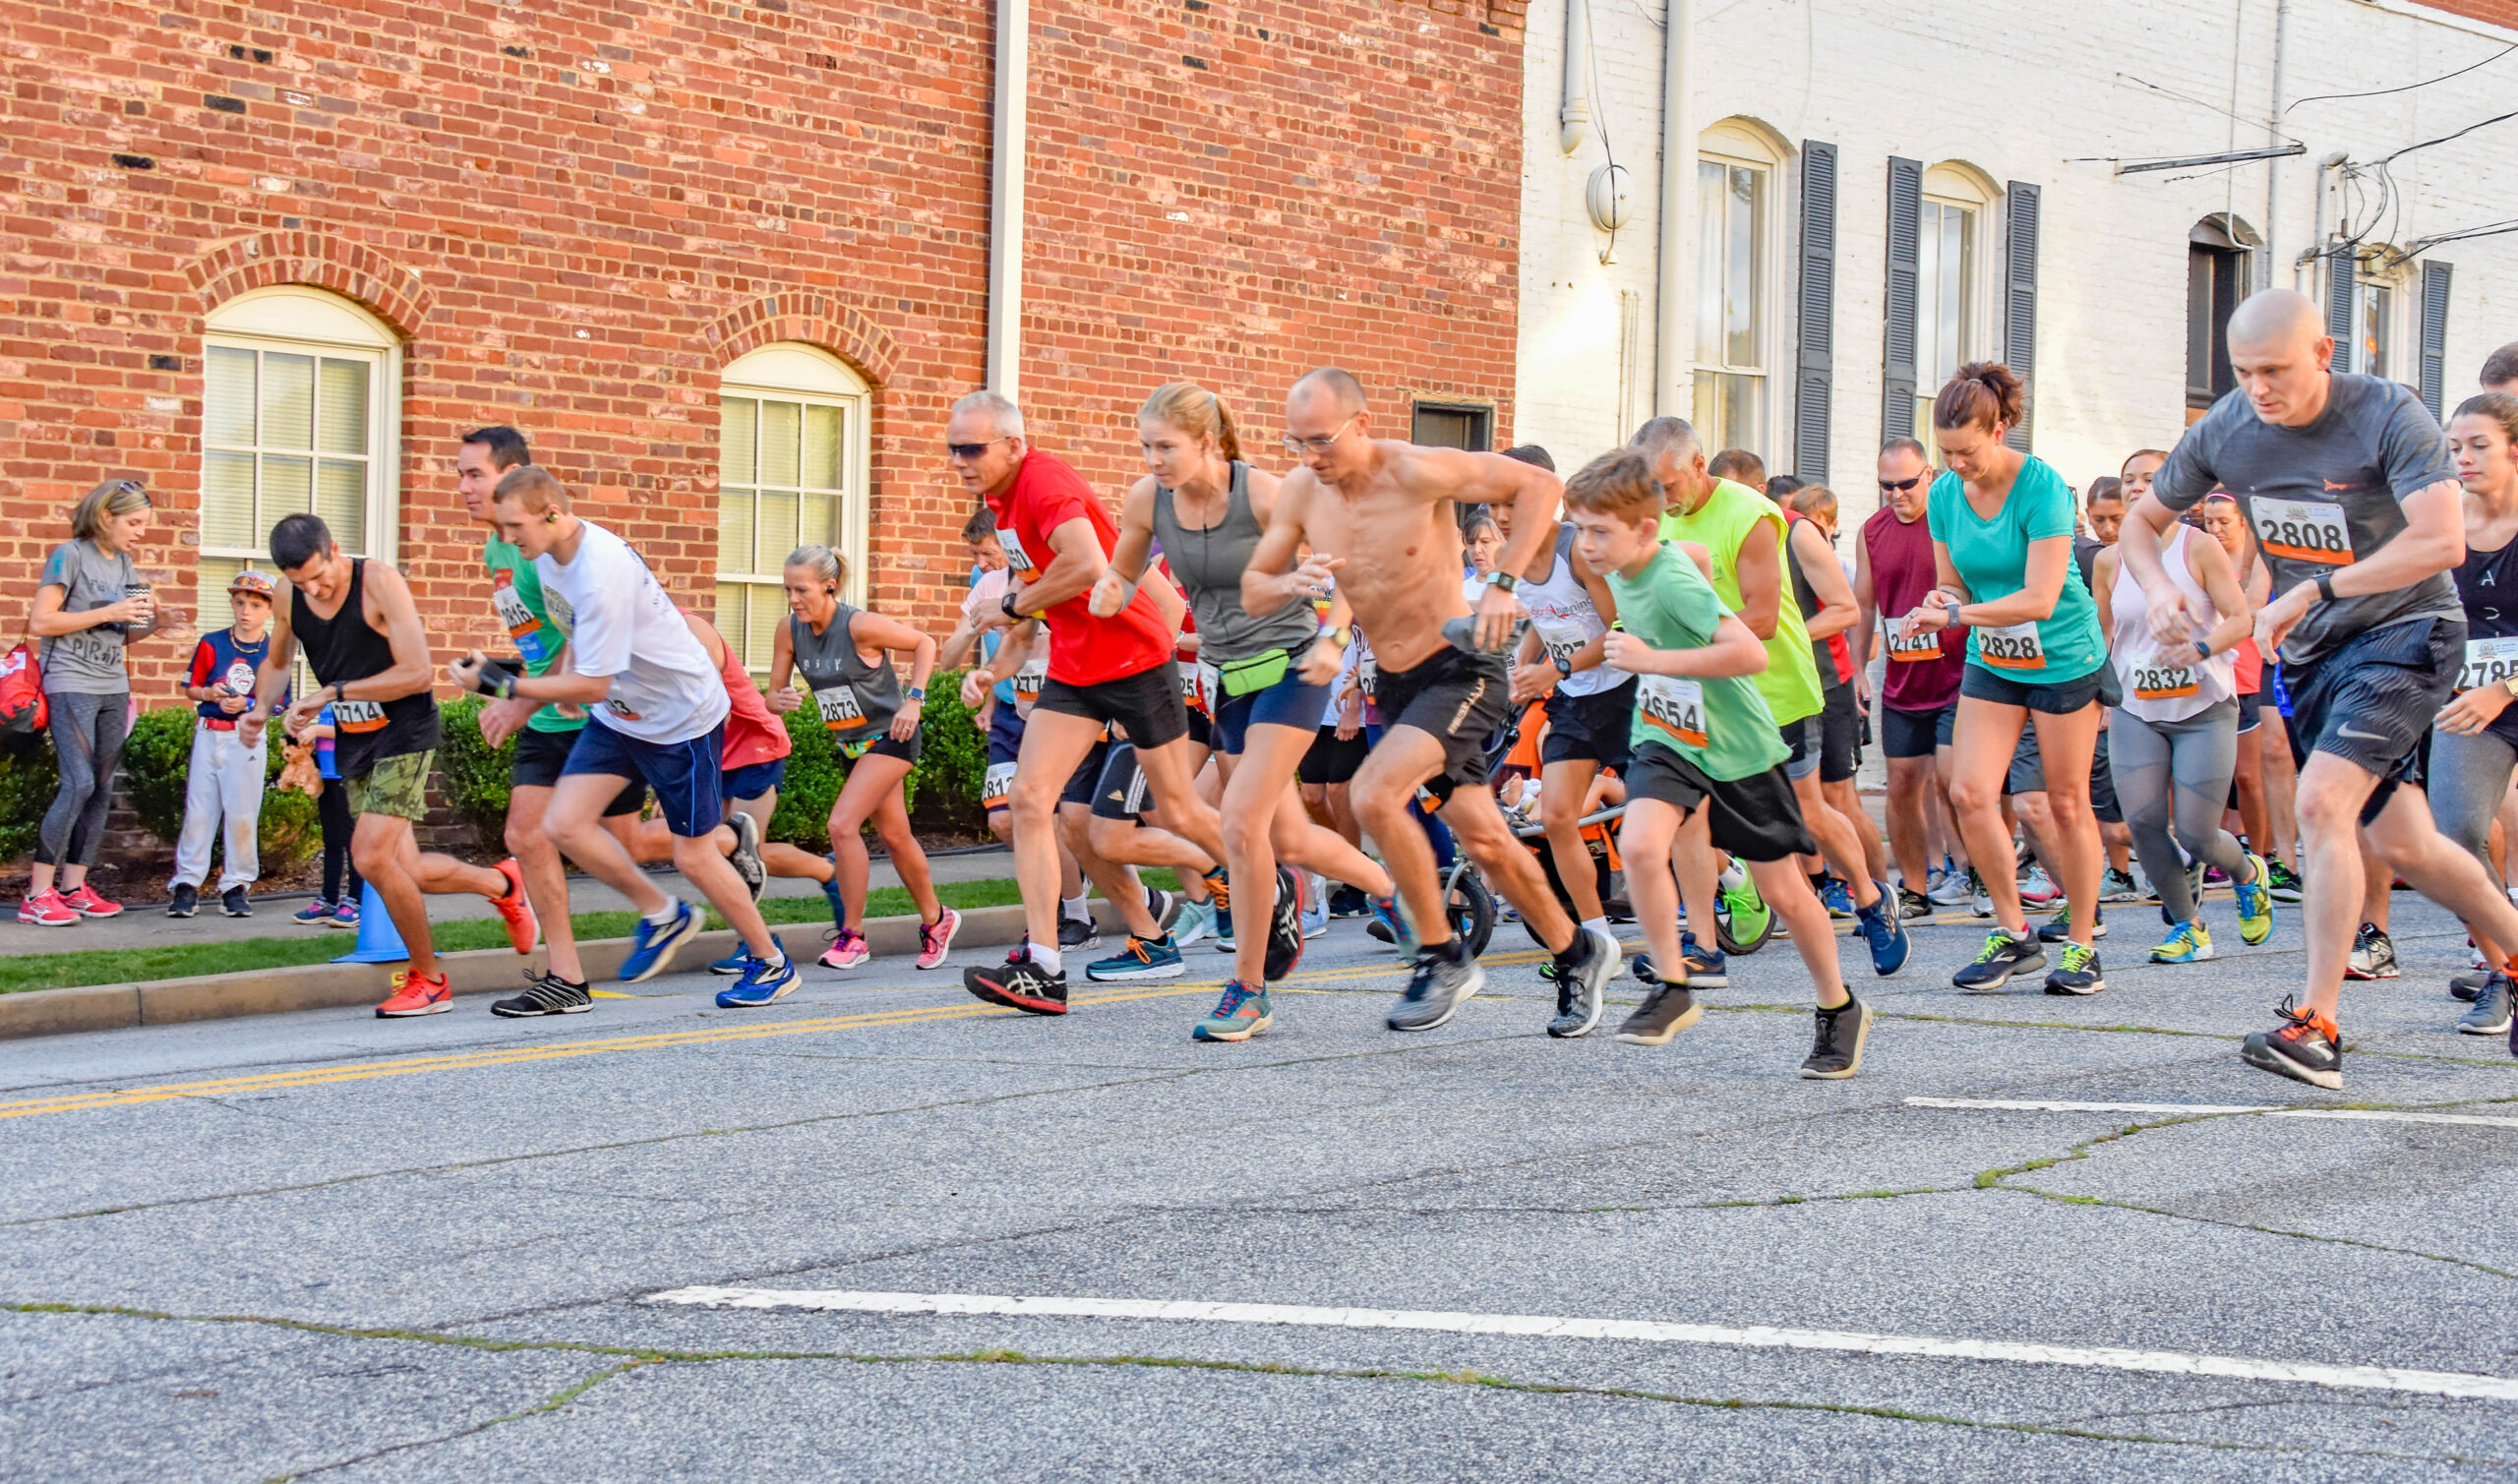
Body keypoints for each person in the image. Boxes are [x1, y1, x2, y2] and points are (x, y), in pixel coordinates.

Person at [2120, 289, 2518, 1088]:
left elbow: (2439, 541)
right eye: (2243, 371)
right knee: (2407, 844)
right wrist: (2158, 590)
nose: (2259, 388)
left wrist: (2318, 592)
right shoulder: (2227, 426)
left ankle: (2317, 1025)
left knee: (2320, 804)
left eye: (2276, 370)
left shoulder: (2387, 414)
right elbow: (2140, 523)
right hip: (2314, 654)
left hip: (2406, 633)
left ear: (2325, 353)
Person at [1246, 368, 1622, 1035]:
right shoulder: (1307, 491)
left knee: (1372, 793)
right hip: (1398, 684)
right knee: (1486, 837)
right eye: (1295, 442)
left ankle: (1442, 953)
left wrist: (1503, 582)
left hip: (1461, 669)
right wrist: (1300, 593)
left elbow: (1538, 484)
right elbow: (1257, 585)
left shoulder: (1415, 470)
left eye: (1322, 440)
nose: (1309, 458)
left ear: (1362, 424)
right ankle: (1577, 950)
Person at [952, 389, 1284, 1018]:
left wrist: (1012, 606)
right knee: (1030, 800)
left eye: (972, 448)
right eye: (953, 449)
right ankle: (1045, 967)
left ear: (1013, 445)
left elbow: (1086, 563)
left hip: (1135, 660)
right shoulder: (1003, 504)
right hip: (1077, 669)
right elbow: (1035, 598)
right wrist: (993, 664)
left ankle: (1270, 883)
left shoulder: (1046, 485)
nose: (960, 460)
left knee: (1179, 811)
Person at [1090, 383, 1399, 1039]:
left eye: (1165, 446)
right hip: (1229, 678)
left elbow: (1349, 571)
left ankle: (1249, 989)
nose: (1153, 460)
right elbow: (1122, 570)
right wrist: (1108, 593)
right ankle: (1398, 892)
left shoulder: (1263, 493)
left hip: (1294, 667)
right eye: (1145, 446)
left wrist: (1334, 637)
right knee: (1284, 837)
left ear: (1207, 442)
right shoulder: (1149, 499)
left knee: (1240, 824)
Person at [1560, 448, 1874, 1076]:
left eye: (1599, 531)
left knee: (1784, 890)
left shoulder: (1667, 576)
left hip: (1735, 744)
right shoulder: (1633, 562)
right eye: (1580, 528)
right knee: (1642, 844)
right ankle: (1673, 986)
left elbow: (1748, 655)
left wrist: (1653, 659)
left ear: (1643, 530)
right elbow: (1695, 556)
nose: (1586, 546)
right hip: (1669, 736)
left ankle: (1838, 1007)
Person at [454, 468, 798, 1007]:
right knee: (562, 823)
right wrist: (531, 696)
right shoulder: (547, 559)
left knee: (693, 856)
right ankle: (664, 914)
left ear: (551, 513)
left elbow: (592, 684)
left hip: (680, 719)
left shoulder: (601, 570)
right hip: (622, 715)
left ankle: (772, 962)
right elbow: (574, 636)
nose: (507, 539)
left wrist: (505, 684)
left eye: (514, 526)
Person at [1637, 418, 1910, 984]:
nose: (1662, 499)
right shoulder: (1652, 513)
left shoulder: (1751, 515)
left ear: (1697, 464)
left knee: (1808, 812)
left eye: (1669, 485)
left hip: (1773, 690)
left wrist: (1676, 636)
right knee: (1691, 818)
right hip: (1697, 691)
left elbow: (1760, 618)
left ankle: (1869, 896)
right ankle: (1704, 946)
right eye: (1651, 487)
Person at [240, 513, 538, 1015]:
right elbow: (275, 661)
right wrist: (258, 709)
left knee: (372, 857)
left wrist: (333, 693)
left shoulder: (378, 582)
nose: (313, 588)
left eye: (319, 575)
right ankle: (503, 883)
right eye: (301, 582)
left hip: (405, 731)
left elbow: (418, 673)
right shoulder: (290, 596)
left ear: (335, 548)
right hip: (357, 737)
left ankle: (430, 980)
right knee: (408, 869)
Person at [1905, 363, 2110, 994]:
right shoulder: (1943, 495)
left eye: (1966, 451)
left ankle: (2080, 944)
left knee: (2064, 802)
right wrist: (1939, 606)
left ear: (1999, 429)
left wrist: (1958, 615)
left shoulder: (2042, 488)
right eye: (1946, 452)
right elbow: (1953, 582)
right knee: (1968, 793)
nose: (1956, 464)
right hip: (1995, 656)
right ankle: (2015, 933)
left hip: (2062, 654)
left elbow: (2042, 597)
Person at [454, 427, 653, 1004]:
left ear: (514, 478)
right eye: (460, 475)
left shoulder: (544, 549)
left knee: (630, 843)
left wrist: (518, 699)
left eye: (476, 476)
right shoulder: (499, 548)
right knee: (524, 833)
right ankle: (566, 977)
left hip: (594, 712)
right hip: (546, 712)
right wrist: (505, 678)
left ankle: (722, 843)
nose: (464, 488)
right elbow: (540, 638)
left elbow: (579, 637)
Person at [2092, 495, 2275, 963]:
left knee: (2196, 834)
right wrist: (2097, 693)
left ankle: (2247, 872)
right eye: (2130, 480)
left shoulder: (2199, 547)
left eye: (2150, 480)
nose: (2137, 489)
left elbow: (2240, 619)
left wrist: (2199, 648)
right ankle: (2188, 927)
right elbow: (2102, 633)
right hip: (2136, 707)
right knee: (2144, 823)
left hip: (2203, 707)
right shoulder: (2110, 560)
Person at [767, 545, 959, 973]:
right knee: (894, 836)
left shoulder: (858, 625)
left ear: (829, 586)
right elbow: (772, 697)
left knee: (841, 824)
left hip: (893, 736)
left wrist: (914, 700)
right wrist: (779, 700)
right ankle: (937, 919)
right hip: (851, 745)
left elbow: (924, 643)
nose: (794, 599)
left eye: (802, 590)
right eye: (788, 590)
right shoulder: (790, 630)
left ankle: (852, 936)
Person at [22, 479, 184, 925]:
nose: (140, 532)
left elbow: (128, 631)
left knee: (102, 786)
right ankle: (37, 894)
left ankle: (73, 887)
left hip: (113, 684)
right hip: (71, 682)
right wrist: (109, 611)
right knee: (78, 783)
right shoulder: (68, 555)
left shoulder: (127, 566)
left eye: (144, 524)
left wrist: (158, 623)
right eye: (133, 522)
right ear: (105, 516)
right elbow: (41, 620)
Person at [1502, 446, 1638, 953]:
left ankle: (1733, 880)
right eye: (1496, 506)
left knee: (1662, 814)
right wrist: (1523, 663)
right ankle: (1597, 938)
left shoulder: (1576, 550)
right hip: (1576, 698)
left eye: (1510, 504)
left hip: (1624, 692)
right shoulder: (1512, 560)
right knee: (1557, 817)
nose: (1501, 517)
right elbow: (1545, 617)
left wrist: (1554, 668)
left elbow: (1618, 630)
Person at [1854, 438, 1974, 911]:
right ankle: (1915, 887)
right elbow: (1863, 604)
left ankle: (1976, 871)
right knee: (1902, 783)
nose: (1896, 494)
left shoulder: (1952, 519)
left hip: (1958, 672)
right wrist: (1859, 669)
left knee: (1951, 781)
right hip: (1904, 677)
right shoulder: (1872, 531)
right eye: (1887, 485)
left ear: (1929, 474)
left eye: (1906, 483)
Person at [2429, 393, 2518, 1033]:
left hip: (2503, 694)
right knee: (2456, 831)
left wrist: (2504, 688)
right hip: (2469, 703)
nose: (2464, 457)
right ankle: (2505, 967)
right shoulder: (2444, 524)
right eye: (2455, 446)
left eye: (2478, 444)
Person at [1779, 482, 1888, 910]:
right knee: (1798, 801)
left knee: (1838, 798)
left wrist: (1859, 674)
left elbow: (1852, 613)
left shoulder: (1819, 552)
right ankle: (1816, 888)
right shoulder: (1755, 542)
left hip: (1831, 682)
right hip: (1788, 686)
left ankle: (1881, 890)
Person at [167, 569, 279, 919]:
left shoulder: (274, 650)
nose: (246, 610)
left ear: (269, 610)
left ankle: (236, 883)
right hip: (209, 731)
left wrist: (247, 704)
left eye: (256, 604)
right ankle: (187, 882)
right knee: (199, 811)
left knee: (242, 811)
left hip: (244, 737)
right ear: (232, 603)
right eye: (241, 602)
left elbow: (279, 701)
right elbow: (191, 686)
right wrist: (209, 693)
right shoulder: (212, 642)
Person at [290, 701, 361, 928]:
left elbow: (358, 729)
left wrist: (316, 730)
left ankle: (357, 901)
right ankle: (329, 900)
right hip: (327, 774)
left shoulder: (358, 694)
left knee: (354, 842)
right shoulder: (329, 697)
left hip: (348, 774)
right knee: (331, 841)